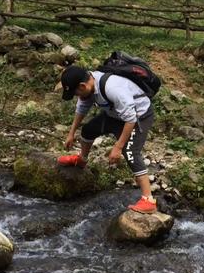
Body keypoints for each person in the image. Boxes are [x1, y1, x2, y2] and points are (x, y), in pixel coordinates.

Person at [58, 65, 157, 214]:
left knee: (130, 151)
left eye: (76, 93)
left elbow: (130, 119)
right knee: (88, 131)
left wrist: (117, 147)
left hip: (138, 116)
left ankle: (148, 200)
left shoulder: (113, 89)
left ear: (82, 85)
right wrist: (71, 133)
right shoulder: (87, 90)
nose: (77, 96)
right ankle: (81, 160)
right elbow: (81, 109)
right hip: (114, 114)